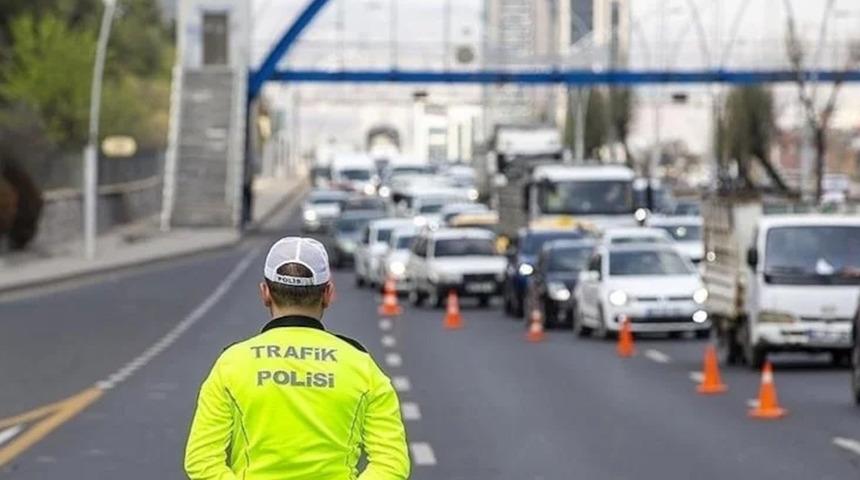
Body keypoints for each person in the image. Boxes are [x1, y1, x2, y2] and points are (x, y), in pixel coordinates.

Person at [184, 237, 410, 479]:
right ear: (328, 294)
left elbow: (201, 460)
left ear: (265, 293)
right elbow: (391, 463)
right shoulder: (361, 365)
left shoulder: (232, 364)